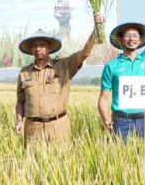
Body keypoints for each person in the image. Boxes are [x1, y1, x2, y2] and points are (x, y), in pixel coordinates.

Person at [15, 14, 104, 146]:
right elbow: (20, 102)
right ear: (31, 49)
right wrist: (19, 121)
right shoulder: (24, 73)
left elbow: (84, 52)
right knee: (33, 164)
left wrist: (96, 29)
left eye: (42, 45)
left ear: (49, 48)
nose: (38, 48)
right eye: (35, 46)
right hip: (33, 129)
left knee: (62, 163)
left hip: (59, 127)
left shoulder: (64, 66)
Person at [98, 0, 145, 139]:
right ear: (121, 40)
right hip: (121, 121)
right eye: (127, 36)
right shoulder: (111, 66)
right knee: (120, 159)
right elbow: (104, 97)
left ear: (140, 40)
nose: (131, 39)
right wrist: (106, 120)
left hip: (144, 119)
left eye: (135, 35)